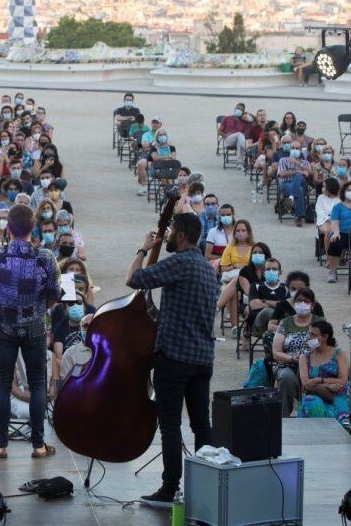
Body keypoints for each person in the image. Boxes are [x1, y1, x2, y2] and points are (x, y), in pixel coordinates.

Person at [125, 212, 219, 509]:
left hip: (175, 357)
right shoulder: (207, 268)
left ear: (180, 235)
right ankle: (208, 486)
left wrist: (142, 248)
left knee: (169, 424)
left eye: (170, 233)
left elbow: (134, 279)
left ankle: (169, 489)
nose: (166, 238)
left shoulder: (180, 262)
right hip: (202, 358)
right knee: (202, 425)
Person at [0, 204, 59, 461]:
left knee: (2, 383)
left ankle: (1, 445)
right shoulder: (45, 257)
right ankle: (38, 445)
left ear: (8, 229)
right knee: (38, 384)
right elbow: (54, 295)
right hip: (35, 326)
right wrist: (36, 309)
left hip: (3, 326)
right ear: (32, 228)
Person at [271, 287, 323, 417]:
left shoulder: (320, 322)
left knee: (313, 378)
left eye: (306, 301)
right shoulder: (286, 323)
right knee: (286, 378)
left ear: (312, 305)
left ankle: (311, 413)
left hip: (313, 365)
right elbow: (276, 352)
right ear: (294, 303)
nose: (302, 304)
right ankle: (283, 417)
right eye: (299, 301)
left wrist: (305, 358)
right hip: (288, 364)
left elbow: (324, 346)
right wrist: (293, 358)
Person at [298, 321, 350, 422]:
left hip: (337, 395)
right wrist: (328, 385)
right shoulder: (304, 357)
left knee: (339, 406)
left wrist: (319, 380)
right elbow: (306, 385)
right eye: (309, 333)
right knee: (312, 403)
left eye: (313, 334)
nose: (309, 337)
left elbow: (343, 380)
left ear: (325, 337)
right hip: (315, 394)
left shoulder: (339, 354)